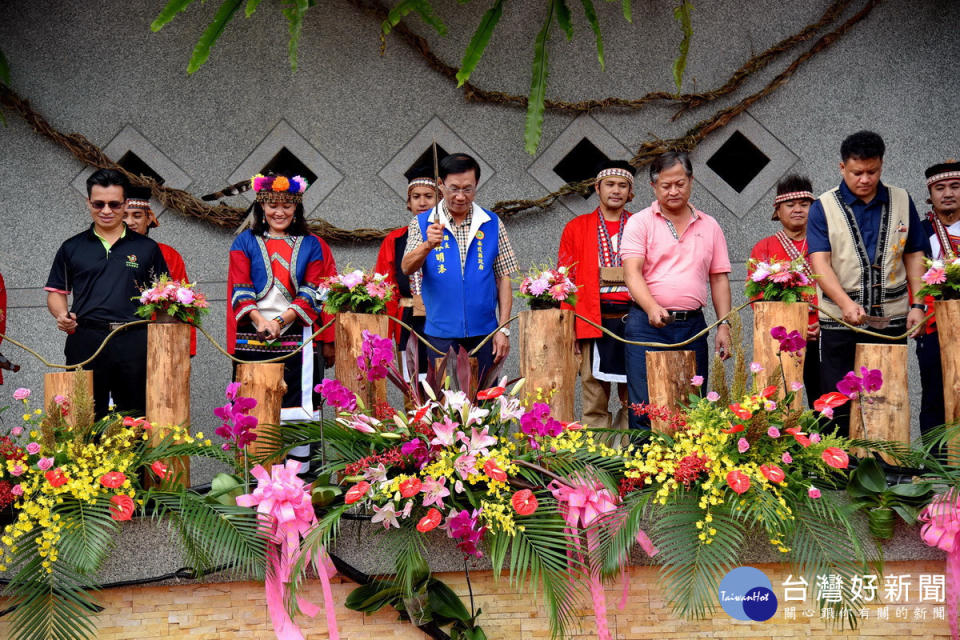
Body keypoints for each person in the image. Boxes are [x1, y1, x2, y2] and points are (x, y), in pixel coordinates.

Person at [807, 131, 927, 435]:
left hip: (892, 317)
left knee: (887, 391)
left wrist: (918, 303)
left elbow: (914, 254)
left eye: (872, 172)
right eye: (857, 172)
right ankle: (836, 465)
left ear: (881, 166)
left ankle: (888, 463)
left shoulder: (901, 199)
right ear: (842, 168)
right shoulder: (823, 206)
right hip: (839, 319)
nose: (864, 179)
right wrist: (846, 304)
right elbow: (820, 262)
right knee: (837, 395)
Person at [620, 151, 732, 430]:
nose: (673, 191)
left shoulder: (710, 225)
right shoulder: (640, 222)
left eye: (679, 184)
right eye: (665, 186)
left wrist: (724, 324)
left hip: (693, 326)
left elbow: (719, 279)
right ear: (653, 187)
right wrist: (651, 307)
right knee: (644, 408)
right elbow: (631, 273)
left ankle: (691, 472)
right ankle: (642, 472)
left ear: (691, 181)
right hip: (645, 325)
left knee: (693, 405)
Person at [44, 169, 169, 418]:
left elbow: (165, 297)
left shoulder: (147, 248)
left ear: (124, 205)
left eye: (114, 204)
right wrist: (61, 314)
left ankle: (136, 458)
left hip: (134, 339)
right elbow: (57, 292)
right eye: (98, 204)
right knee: (84, 416)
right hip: (86, 338)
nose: (106, 210)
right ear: (88, 202)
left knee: (135, 418)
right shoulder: (72, 247)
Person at [227, 174, 328, 443]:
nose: (279, 212)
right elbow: (241, 287)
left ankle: (300, 480)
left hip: (297, 337)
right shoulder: (244, 242)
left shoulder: (312, 244)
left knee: (299, 414)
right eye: (272, 205)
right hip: (253, 335)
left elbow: (312, 290)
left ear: (297, 207)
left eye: (286, 205)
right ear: (261, 207)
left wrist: (280, 322)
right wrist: (261, 321)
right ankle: (257, 479)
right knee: (253, 411)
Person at [400, 153, 518, 379]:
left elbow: (505, 277)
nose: (461, 196)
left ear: (477, 185)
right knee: (444, 402)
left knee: (485, 401)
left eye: (468, 189)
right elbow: (407, 267)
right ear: (440, 185)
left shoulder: (491, 222)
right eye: (454, 188)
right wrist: (427, 245)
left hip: (485, 331)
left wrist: (503, 329)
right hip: (440, 331)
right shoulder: (423, 222)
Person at [558, 160, 636, 430]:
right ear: (597, 188)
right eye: (610, 184)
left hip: (634, 320)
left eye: (622, 185)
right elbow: (565, 282)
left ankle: (629, 462)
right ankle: (597, 461)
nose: (616, 190)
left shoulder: (642, 225)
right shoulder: (576, 227)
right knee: (593, 397)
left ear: (631, 191)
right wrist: (570, 327)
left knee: (634, 398)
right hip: (593, 319)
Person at [748, 175, 821, 405]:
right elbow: (757, 297)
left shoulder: (825, 243)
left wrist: (824, 324)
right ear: (778, 211)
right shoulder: (764, 247)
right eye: (790, 205)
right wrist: (792, 327)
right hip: (781, 339)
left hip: (821, 334)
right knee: (780, 399)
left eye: (804, 204)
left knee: (823, 400)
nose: (797, 210)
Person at [374, 167, 437, 377]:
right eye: (416, 197)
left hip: (442, 315)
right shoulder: (394, 239)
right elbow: (384, 288)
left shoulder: (451, 235)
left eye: (429, 196)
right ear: (408, 203)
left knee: (443, 380)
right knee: (413, 386)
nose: (422, 202)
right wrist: (385, 333)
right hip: (407, 318)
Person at [123, 186, 197, 356]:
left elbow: (185, 303)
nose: (130, 222)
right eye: (124, 216)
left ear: (149, 218)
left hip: (162, 340)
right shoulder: (108, 254)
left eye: (137, 215)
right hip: (119, 338)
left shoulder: (168, 254)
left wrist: (187, 346)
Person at [915, 161, 960, 437]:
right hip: (933, 325)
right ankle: (934, 466)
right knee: (934, 391)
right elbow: (911, 278)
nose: (948, 193)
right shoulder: (919, 232)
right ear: (930, 195)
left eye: (955, 186)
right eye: (939, 188)